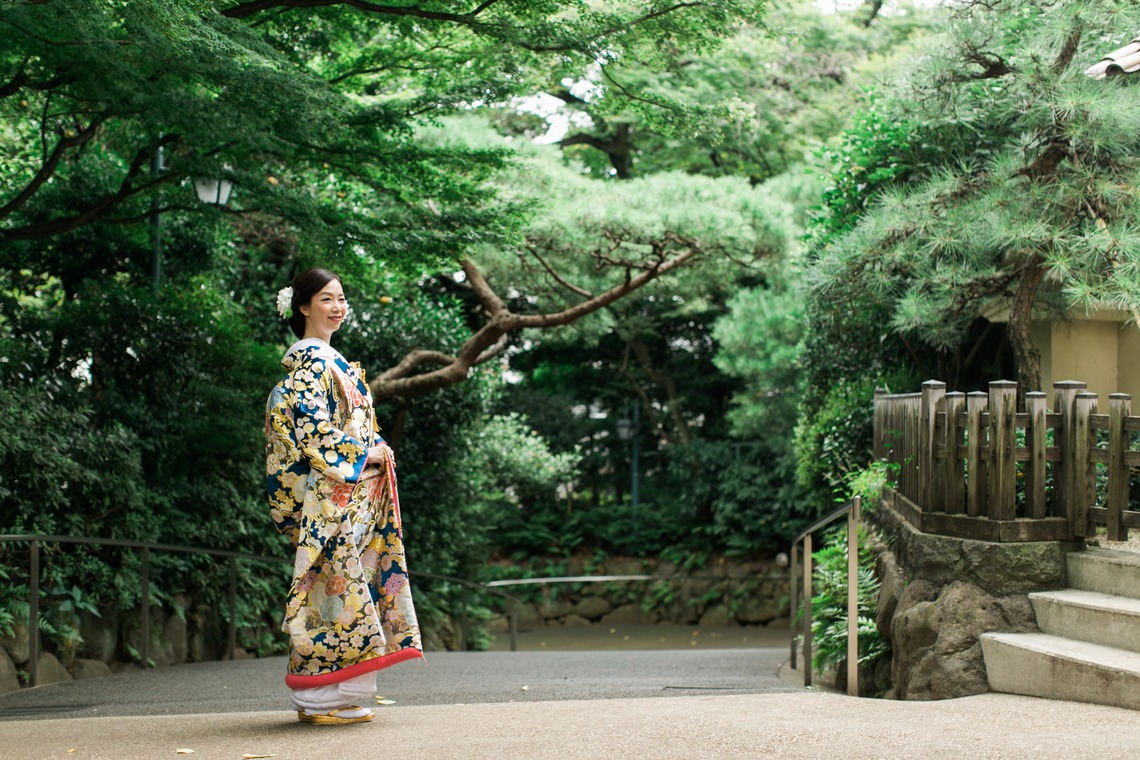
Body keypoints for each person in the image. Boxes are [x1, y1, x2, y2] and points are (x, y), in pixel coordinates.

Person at [264, 268, 422, 726]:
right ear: (303, 306)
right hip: (332, 494)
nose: (337, 307)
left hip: (351, 491)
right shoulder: (313, 364)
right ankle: (320, 698)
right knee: (336, 587)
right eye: (326, 299)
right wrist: (364, 450)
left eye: (341, 299)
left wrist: (370, 449)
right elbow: (313, 432)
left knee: (349, 586)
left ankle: (341, 694)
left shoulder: (330, 360)